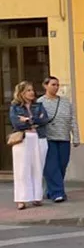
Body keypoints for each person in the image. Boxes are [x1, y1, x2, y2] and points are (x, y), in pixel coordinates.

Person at [39, 75, 81, 203]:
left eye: (57, 85)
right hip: (48, 138)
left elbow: (72, 119)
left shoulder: (65, 102)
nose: (56, 87)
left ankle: (51, 190)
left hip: (64, 137)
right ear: (45, 86)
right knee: (52, 166)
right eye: (53, 85)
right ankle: (58, 193)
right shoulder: (40, 102)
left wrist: (76, 136)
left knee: (62, 165)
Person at [9, 81, 50, 209]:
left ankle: (37, 197)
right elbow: (17, 124)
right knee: (22, 169)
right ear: (21, 93)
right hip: (23, 139)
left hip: (39, 138)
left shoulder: (38, 105)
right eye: (28, 90)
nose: (32, 92)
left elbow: (44, 120)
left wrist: (28, 120)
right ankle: (21, 199)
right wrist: (31, 122)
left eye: (32, 90)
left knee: (38, 168)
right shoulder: (15, 107)